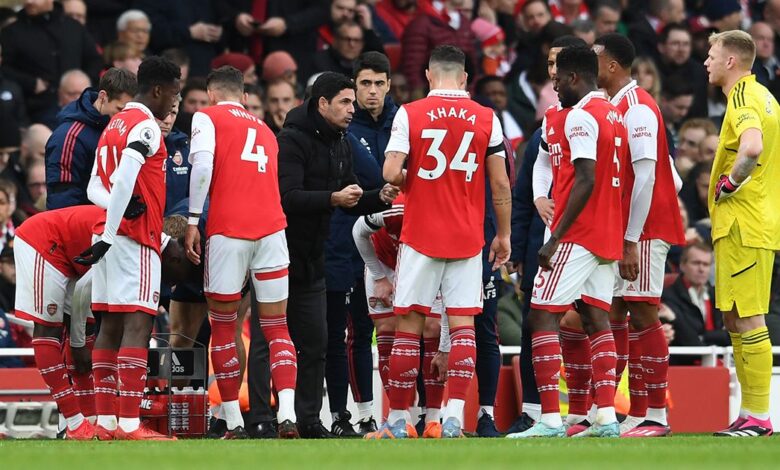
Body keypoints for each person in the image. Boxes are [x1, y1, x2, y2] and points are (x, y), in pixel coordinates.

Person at [372, 45, 511, 439]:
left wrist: (411, 180)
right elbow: (500, 184)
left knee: (409, 326)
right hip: (468, 237)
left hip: (420, 235)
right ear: (465, 78)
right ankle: (451, 417)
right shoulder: (487, 117)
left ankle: (399, 421)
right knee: (464, 326)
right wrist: (503, 235)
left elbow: (390, 170)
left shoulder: (410, 113)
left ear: (430, 76)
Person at [508, 45, 626, 438]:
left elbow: (586, 178)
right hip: (607, 234)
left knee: (541, 315)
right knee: (595, 318)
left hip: (576, 234)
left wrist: (555, 236)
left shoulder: (580, 117)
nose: (554, 86)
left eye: (558, 79)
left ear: (574, 78)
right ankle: (606, 417)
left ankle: (550, 419)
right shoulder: (612, 113)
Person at [276, 71, 397, 438]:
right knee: (276, 341)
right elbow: (288, 198)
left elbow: (349, 201)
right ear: (322, 103)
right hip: (280, 256)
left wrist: (380, 197)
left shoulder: (340, 141)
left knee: (317, 343)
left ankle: (311, 422)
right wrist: (332, 198)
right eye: (345, 101)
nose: (352, 108)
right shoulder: (291, 140)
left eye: (351, 102)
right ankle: (264, 418)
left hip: (315, 257)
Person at [183, 65, 299, 439]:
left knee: (223, 324)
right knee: (277, 326)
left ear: (212, 94)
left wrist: (192, 219)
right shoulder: (265, 129)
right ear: (245, 97)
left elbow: (201, 166)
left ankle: (232, 420)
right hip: (272, 230)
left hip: (229, 230)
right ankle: (288, 416)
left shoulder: (207, 116)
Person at [77, 55, 181, 441]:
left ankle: (106, 424)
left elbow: (94, 188)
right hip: (134, 238)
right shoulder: (146, 127)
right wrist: (114, 229)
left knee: (109, 324)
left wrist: (107, 224)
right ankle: (130, 424)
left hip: (107, 234)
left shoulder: (112, 125)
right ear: (157, 89)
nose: (175, 101)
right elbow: (123, 180)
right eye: (173, 92)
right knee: (139, 321)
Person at [594, 33, 685, 437]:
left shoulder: (638, 108)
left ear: (612, 66)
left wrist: (632, 236)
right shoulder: (614, 106)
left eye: (593, 58)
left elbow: (649, 174)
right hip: (626, 227)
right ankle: (615, 414)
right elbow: (673, 176)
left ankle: (655, 416)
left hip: (641, 231)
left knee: (644, 312)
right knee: (614, 312)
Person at [13, 203, 148, 440]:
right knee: (48, 329)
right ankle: (75, 423)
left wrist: (79, 341)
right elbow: (84, 288)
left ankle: (90, 419)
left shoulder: (145, 240)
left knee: (86, 332)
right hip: (43, 240)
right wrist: (77, 344)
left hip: (73, 257)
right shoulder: (134, 244)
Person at [705, 30, 780, 437]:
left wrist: (730, 184)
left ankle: (759, 416)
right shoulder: (767, 97)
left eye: (712, 54)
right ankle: (749, 413)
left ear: (731, 61)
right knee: (735, 316)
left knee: (749, 317)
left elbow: (750, 148)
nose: (707, 62)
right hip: (751, 222)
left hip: (744, 222)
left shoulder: (743, 97)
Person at [352, 193, 450, 438]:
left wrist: (447, 345)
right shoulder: (395, 210)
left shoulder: (443, 216)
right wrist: (379, 277)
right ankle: (400, 417)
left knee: (432, 328)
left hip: (425, 263)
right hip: (384, 263)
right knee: (386, 328)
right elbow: (358, 231)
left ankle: (433, 419)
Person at [45, 68, 137, 210]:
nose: (126, 117)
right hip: (85, 226)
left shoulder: (129, 130)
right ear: (103, 97)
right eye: (120, 109)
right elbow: (62, 199)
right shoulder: (70, 136)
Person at [0, 0, 102, 121]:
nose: (29, 2)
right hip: (35, 110)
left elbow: (94, 60)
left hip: (79, 108)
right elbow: (4, 67)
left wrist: (82, 83)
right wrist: (30, 83)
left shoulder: (73, 26)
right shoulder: (11, 32)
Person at [663, 243, 730, 358]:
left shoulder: (717, 295)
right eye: (696, 263)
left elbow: (729, 336)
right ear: (682, 265)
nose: (701, 269)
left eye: (706, 264)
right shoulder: (668, 296)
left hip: (719, 362)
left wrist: (702, 336)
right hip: (685, 366)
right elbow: (687, 341)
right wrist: (711, 337)